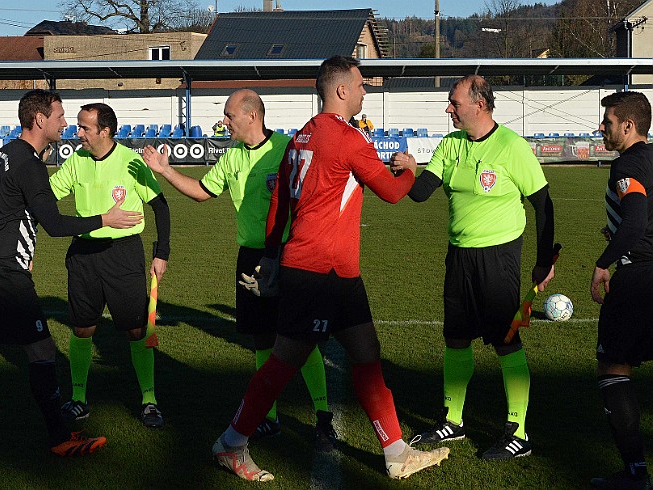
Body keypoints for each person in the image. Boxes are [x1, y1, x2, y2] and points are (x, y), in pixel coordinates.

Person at [209, 56, 450, 482]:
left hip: (336, 272)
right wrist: (411, 170)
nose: (364, 91)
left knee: (366, 354)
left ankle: (396, 452)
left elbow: (279, 203)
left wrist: (269, 257)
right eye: (360, 84)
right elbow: (394, 192)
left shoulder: (301, 136)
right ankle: (230, 443)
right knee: (284, 361)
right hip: (319, 271)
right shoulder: (346, 138)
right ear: (340, 90)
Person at [0, 89, 142, 456]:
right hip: (6, 274)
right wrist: (105, 218)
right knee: (42, 350)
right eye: (59, 116)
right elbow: (56, 224)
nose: (65, 123)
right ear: (40, 119)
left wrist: (12, 240)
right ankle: (60, 439)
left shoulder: (1, 155)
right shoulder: (29, 163)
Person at [141, 89, 334, 448]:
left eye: (229, 115)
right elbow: (202, 191)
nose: (224, 121)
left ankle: (323, 416)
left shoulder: (287, 150)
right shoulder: (231, 158)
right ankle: (269, 416)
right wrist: (165, 171)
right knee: (262, 337)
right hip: (250, 257)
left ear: (251, 116)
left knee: (300, 340)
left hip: (290, 256)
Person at [391, 74, 556, 460]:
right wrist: (409, 169)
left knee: (505, 340)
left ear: (478, 105)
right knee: (456, 337)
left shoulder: (512, 146)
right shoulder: (450, 146)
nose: (449, 108)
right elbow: (419, 194)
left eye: (454, 102)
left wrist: (543, 259)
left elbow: (543, 204)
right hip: (459, 256)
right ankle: (454, 420)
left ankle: (519, 431)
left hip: (499, 258)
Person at [49, 103, 171, 429]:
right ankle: (78, 398)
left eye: (84, 128)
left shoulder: (131, 162)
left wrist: (162, 253)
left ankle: (149, 400)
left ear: (104, 130)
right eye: (77, 126)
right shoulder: (76, 160)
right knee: (81, 327)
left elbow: (160, 207)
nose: (78, 133)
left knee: (135, 330)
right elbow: (47, 196)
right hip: (84, 256)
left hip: (124, 254)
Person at [589, 91, 653, 489]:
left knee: (613, 370)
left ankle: (635, 474)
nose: (602, 127)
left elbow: (634, 224)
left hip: (637, 280)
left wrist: (602, 263)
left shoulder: (625, 165)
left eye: (608, 121)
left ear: (628, 125)